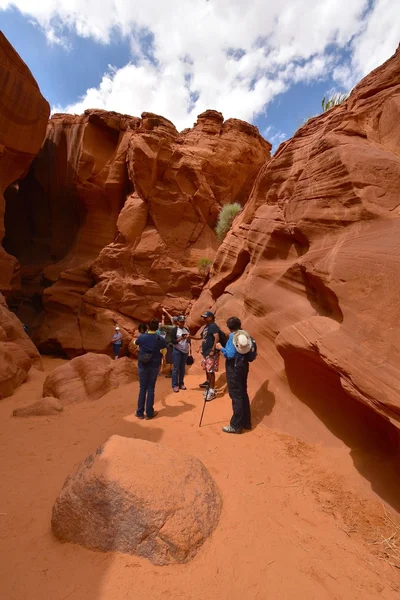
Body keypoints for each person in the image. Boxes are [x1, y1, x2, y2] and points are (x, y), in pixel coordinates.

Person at [217, 317, 255, 434]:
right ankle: (246, 422)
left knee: (236, 396)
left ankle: (236, 426)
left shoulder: (233, 337)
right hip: (243, 367)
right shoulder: (246, 335)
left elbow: (230, 354)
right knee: (243, 393)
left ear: (229, 327)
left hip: (233, 369)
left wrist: (220, 348)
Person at [134, 318, 167, 420]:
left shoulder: (142, 337)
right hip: (154, 366)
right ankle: (149, 413)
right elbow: (164, 351)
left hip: (143, 366)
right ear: (157, 327)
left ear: (148, 327)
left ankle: (139, 412)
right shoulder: (160, 339)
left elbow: (135, 343)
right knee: (151, 388)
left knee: (142, 388)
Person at [200, 311, 220, 401]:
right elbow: (202, 338)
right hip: (205, 353)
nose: (204, 319)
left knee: (211, 371)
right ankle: (208, 388)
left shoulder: (213, 326)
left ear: (211, 317)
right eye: (203, 317)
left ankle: (212, 391)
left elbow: (216, 337)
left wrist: (213, 349)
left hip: (211, 353)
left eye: (205, 317)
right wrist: (190, 337)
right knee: (207, 371)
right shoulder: (206, 327)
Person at [170, 315, 190, 392]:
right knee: (176, 368)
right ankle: (175, 385)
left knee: (182, 368)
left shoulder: (186, 330)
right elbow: (172, 341)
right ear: (177, 322)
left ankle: (181, 383)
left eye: (183, 321)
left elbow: (188, 341)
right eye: (181, 321)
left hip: (185, 351)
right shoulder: (174, 330)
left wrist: (188, 339)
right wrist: (181, 338)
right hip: (177, 351)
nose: (182, 323)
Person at [159, 309, 178, 378]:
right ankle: (174, 372)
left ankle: (172, 372)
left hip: (170, 345)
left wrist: (163, 319)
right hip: (176, 345)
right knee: (174, 358)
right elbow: (172, 318)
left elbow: (162, 326)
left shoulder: (171, 328)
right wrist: (166, 312)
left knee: (171, 359)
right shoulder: (177, 327)